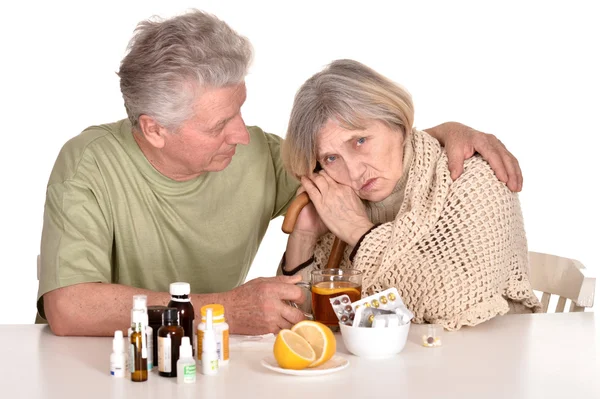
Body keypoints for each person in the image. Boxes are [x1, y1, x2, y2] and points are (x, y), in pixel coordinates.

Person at [38, 10, 525, 337]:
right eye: (219, 124)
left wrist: (443, 132)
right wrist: (225, 310)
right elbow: (69, 308)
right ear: (155, 129)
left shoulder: (258, 157)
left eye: (240, 111)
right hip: (113, 368)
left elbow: (366, 161)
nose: (243, 135)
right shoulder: (89, 165)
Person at [281, 59, 541, 330]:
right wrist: (304, 237)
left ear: (398, 123)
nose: (354, 171)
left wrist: (359, 233)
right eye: (332, 157)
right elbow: (304, 318)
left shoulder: (473, 177)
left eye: (360, 141)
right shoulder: (342, 197)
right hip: (394, 363)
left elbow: (456, 304)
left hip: (488, 357)